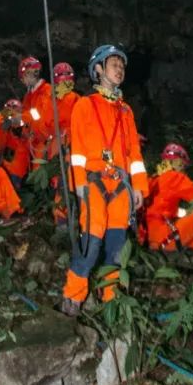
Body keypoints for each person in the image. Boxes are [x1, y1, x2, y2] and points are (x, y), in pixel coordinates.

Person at [61, 45, 147, 315]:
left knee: (117, 246)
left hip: (121, 187)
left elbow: (134, 152)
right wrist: (80, 186)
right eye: (113, 64)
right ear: (98, 69)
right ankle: (73, 297)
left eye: (122, 66)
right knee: (92, 240)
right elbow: (76, 154)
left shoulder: (126, 112)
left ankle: (110, 300)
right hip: (94, 183)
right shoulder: (84, 105)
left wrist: (139, 187)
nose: (119, 69)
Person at [138, 143, 193, 253]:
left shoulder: (153, 179)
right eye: (183, 166)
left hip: (149, 240)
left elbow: (161, 209)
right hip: (165, 239)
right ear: (179, 163)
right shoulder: (175, 177)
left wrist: (185, 214)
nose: (184, 170)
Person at [45, 63, 78, 225]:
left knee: (62, 186)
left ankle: (64, 221)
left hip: (66, 150)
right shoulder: (54, 101)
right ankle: (65, 221)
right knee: (63, 185)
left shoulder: (58, 101)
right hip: (62, 150)